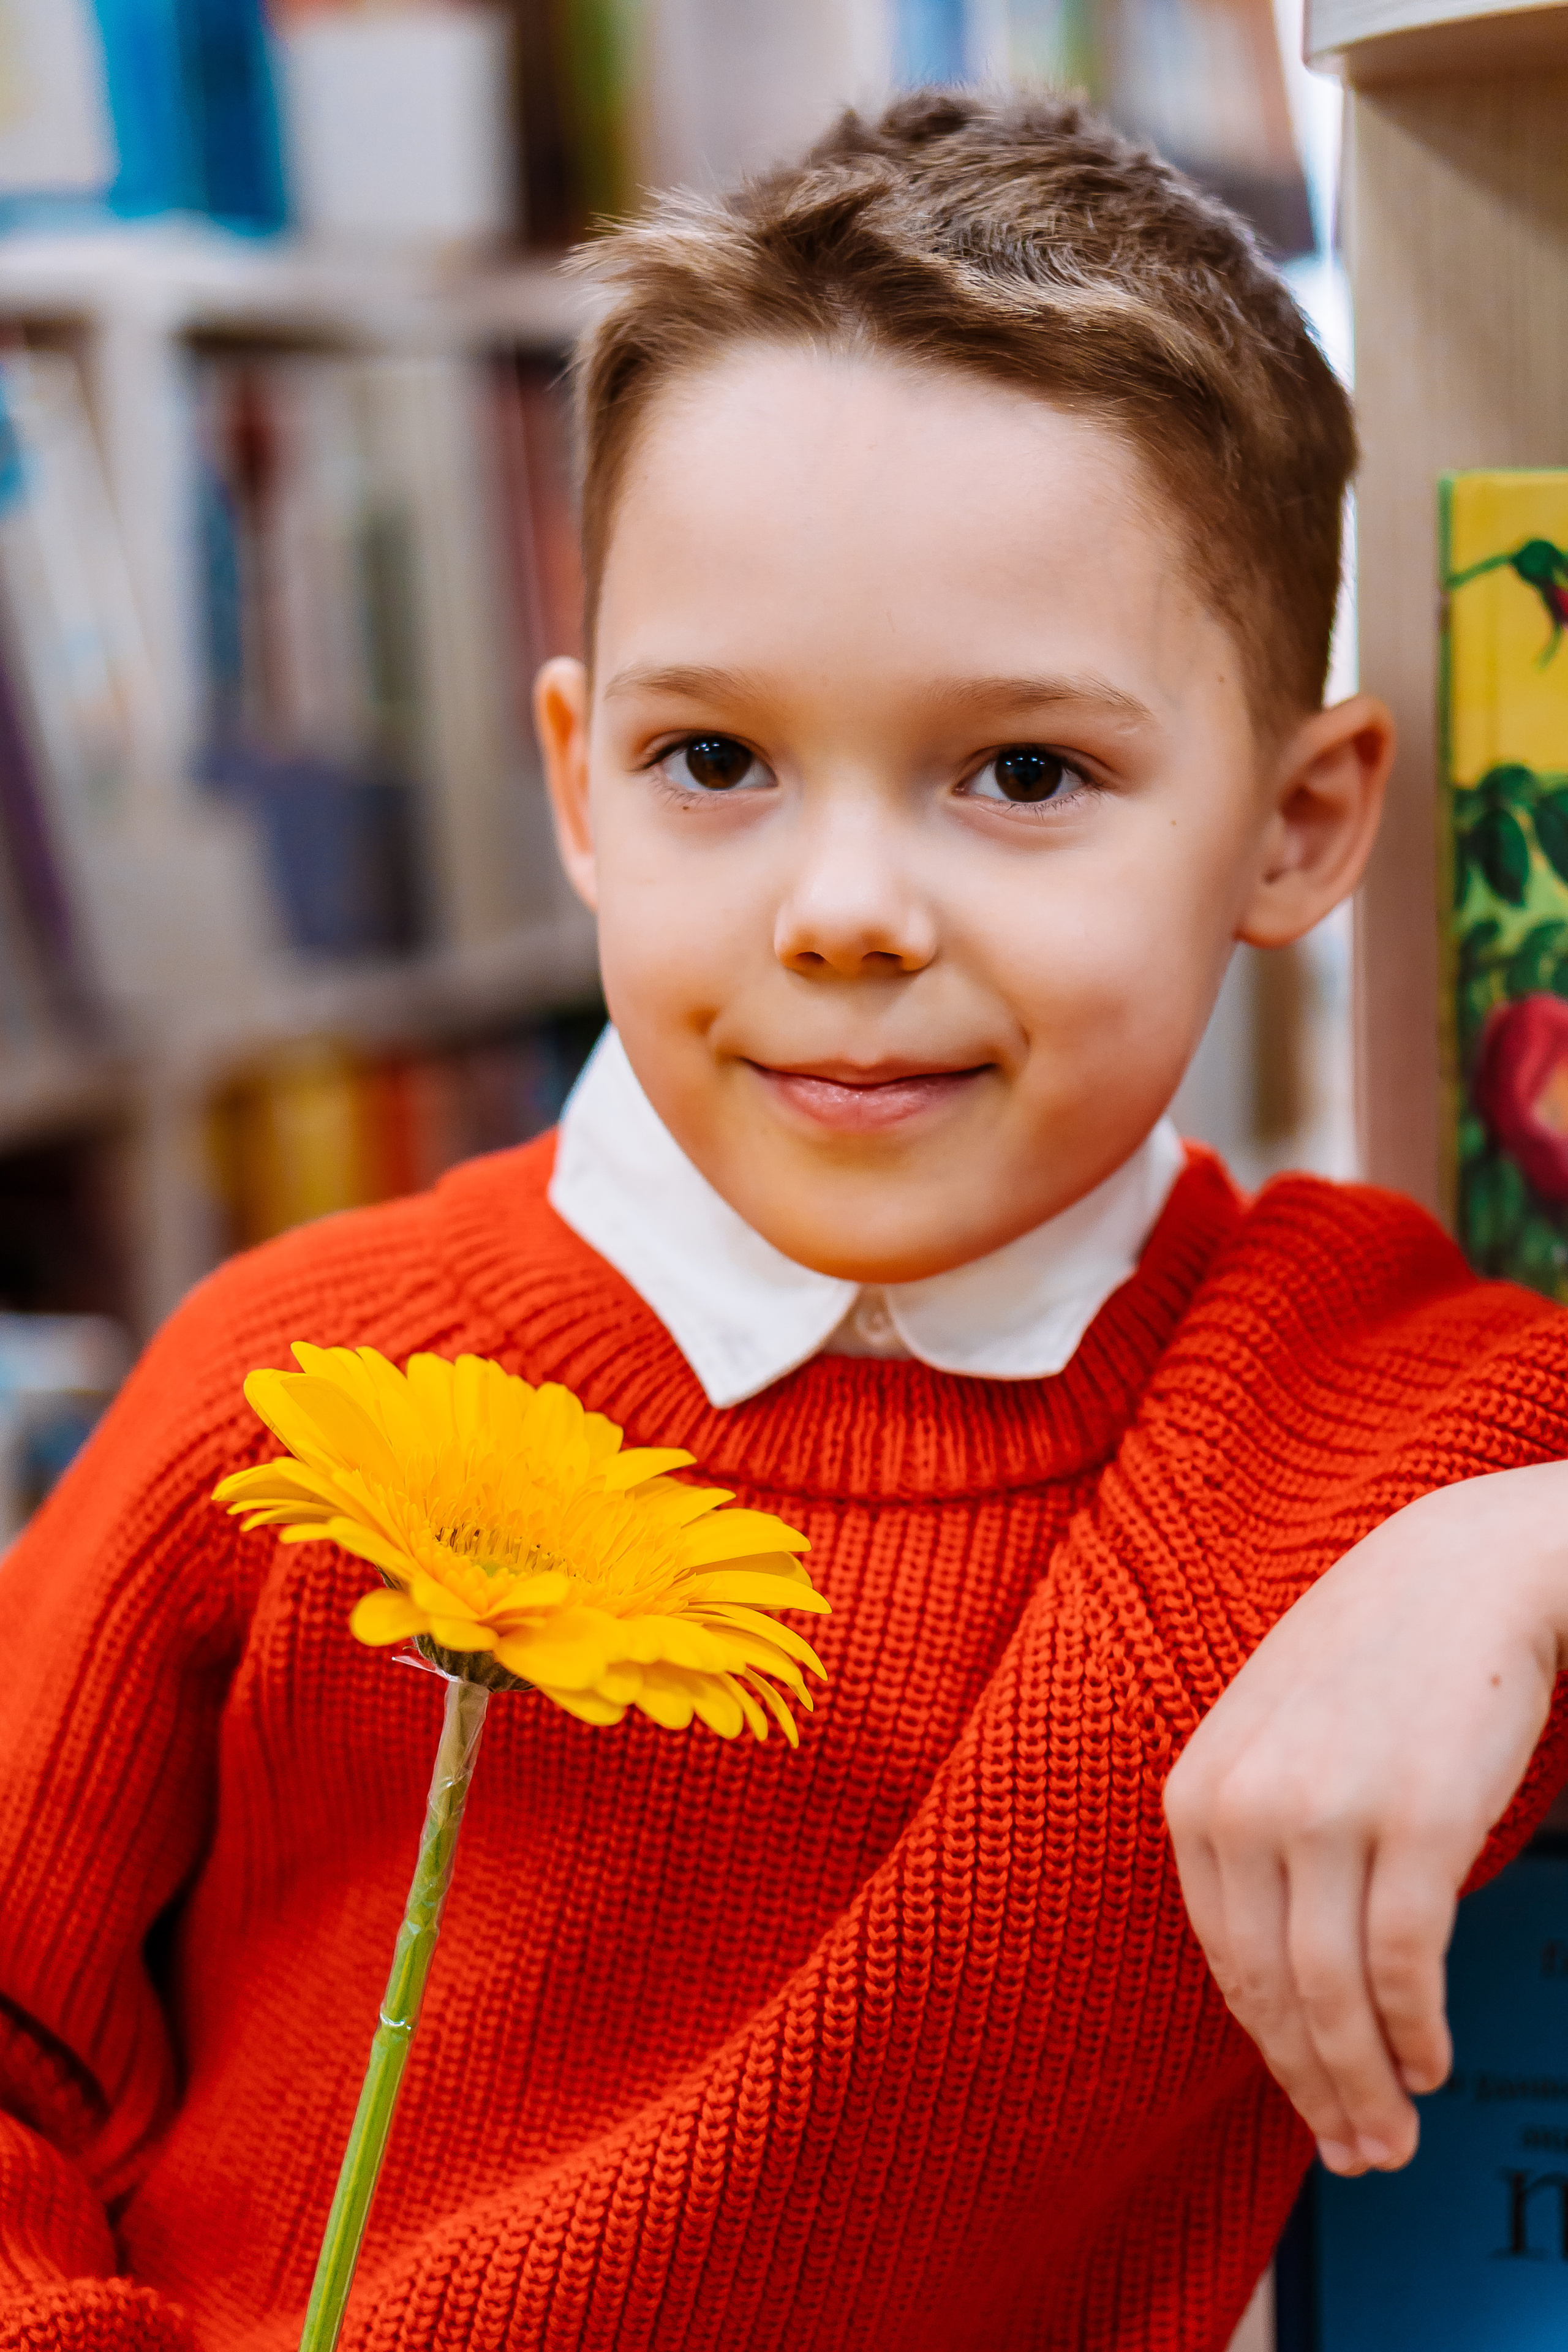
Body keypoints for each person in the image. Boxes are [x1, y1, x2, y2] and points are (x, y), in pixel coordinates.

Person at [2, 88, 1567, 2352]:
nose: (841, 913)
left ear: (1297, 827)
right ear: (577, 785)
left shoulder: (1362, 1411)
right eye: (714, 762)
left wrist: (1525, 1552)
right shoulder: (292, 1377)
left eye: (1026, 773)